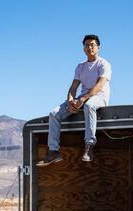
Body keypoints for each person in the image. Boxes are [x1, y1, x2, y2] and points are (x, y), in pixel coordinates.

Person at [38, 34, 111, 166]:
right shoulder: (80, 66)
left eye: (92, 45)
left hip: (98, 97)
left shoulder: (104, 64)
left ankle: (89, 146)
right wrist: (70, 101)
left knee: (89, 106)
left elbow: (99, 86)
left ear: (98, 48)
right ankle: (54, 151)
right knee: (54, 114)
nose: (89, 48)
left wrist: (82, 99)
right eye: (86, 45)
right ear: (83, 49)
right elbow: (73, 87)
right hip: (81, 99)